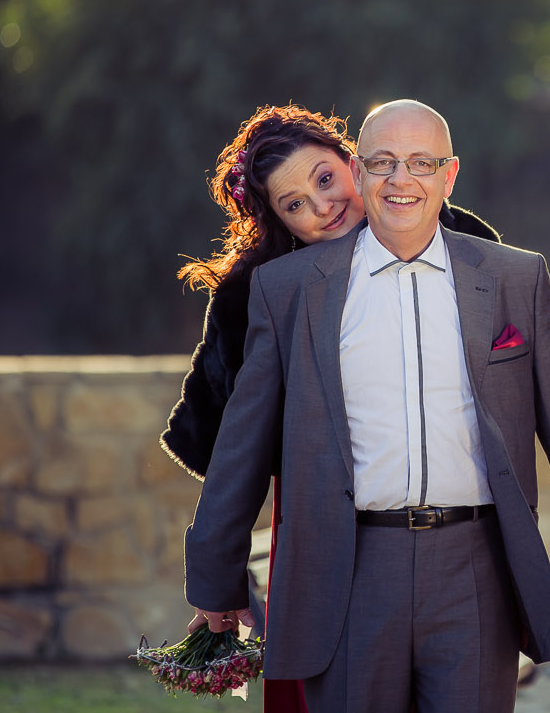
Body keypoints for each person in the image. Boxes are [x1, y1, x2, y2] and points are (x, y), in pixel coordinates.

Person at [183, 99, 550, 713]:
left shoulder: (509, 277)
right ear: (364, 170)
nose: (400, 180)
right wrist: (216, 574)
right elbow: (241, 441)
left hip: (476, 569)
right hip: (348, 570)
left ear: (448, 176)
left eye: (421, 164)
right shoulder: (284, 290)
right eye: (385, 164)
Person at [161, 103, 500, 712]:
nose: (322, 207)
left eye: (324, 179)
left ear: (351, 161)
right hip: (325, 527)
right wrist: (219, 574)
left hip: (455, 540)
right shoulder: (261, 290)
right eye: (294, 205)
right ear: (280, 222)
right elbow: (229, 446)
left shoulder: (466, 244)